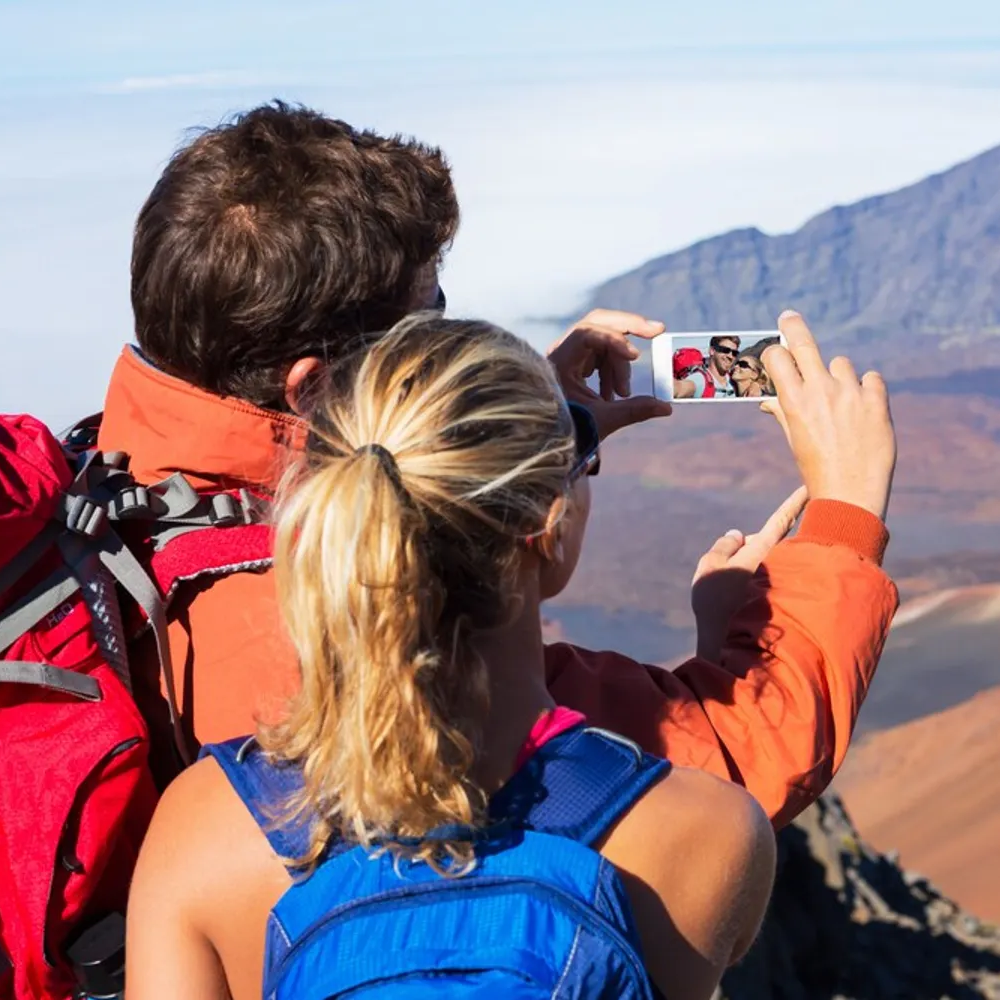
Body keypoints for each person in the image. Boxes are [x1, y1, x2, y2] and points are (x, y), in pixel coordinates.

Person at [102, 101, 899, 826]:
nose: (448, 330)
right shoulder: (354, 613)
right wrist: (845, 513)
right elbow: (725, 764)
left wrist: (516, 430)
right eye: (430, 316)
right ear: (317, 390)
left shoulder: (112, 489)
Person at [126, 316, 788, 999]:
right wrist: (736, 633)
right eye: (580, 460)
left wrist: (526, 443)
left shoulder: (202, 832)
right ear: (552, 526)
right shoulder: (705, 834)